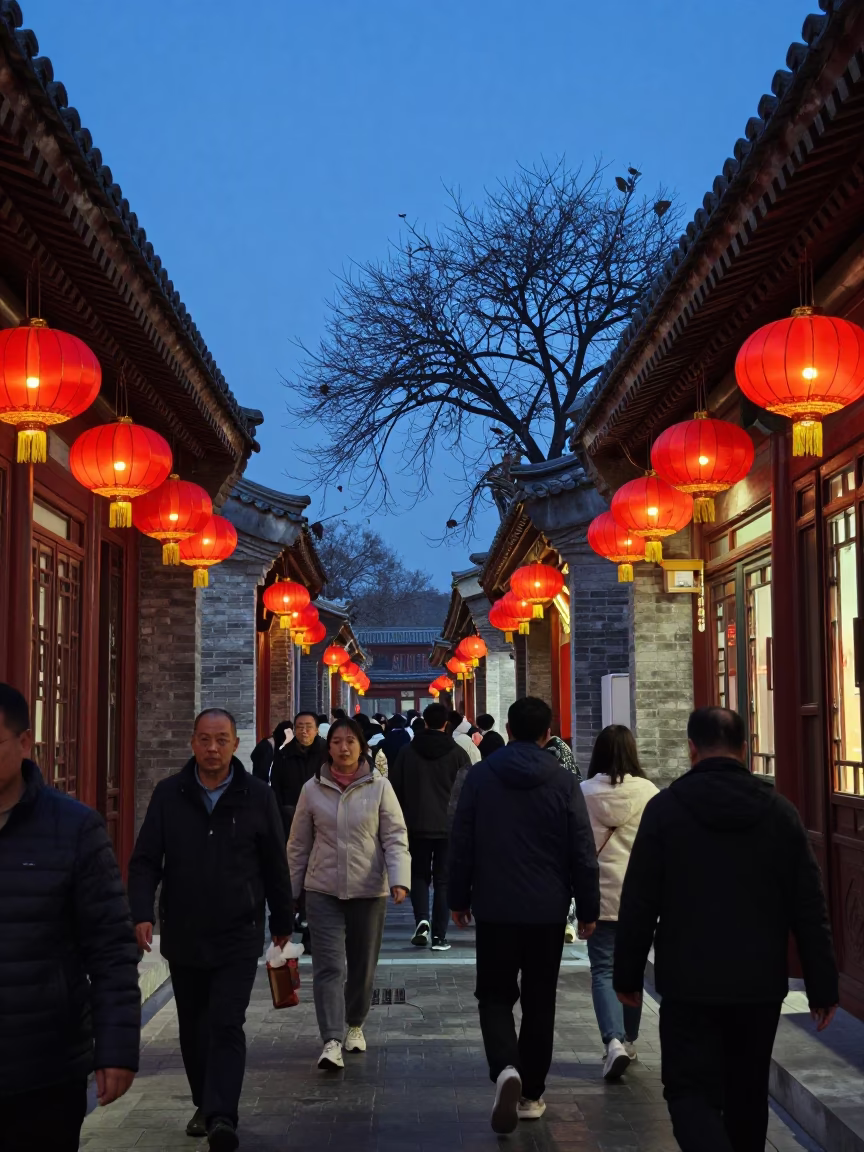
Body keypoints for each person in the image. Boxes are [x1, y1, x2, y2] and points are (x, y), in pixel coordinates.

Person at [614, 707, 839, 1152]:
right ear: (746, 747)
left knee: (688, 1090)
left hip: (688, 978)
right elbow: (808, 905)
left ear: (692, 749)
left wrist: (627, 972)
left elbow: (640, 900)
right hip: (757, 980)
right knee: (747, 1092)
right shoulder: (780, 812)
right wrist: (823, 984)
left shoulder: (666, 810)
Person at [128, 708, 294, 1152]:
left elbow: (275, 863)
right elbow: (146, 859)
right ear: (192, 743)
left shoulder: (257, 796)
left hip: (239, 931)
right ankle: (206, 1101)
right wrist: (141, 910)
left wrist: (283, 919)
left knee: (226, 1022)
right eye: (205, 739)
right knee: (193, 1026)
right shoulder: (169, 795)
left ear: (236, 744)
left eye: (222, 739)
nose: (213, 748)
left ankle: (222, 1115)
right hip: (184, 931)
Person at [449, 696, 600, 1134]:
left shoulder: (480, 777)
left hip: (495, 907)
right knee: (540, 1001)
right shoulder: (563, 780)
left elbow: (462, 841)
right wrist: (588, 909)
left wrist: (458, 898)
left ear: (509, 731)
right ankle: (531, 1092)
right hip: (547, 910)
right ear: (547, 734)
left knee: (494, 995)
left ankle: (505, 1069)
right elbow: (582, 851)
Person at [0, 683, 140, 1152]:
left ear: (24, 743)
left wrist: (116, 1047)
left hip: (43, 1062)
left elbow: (110, 949)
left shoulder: (74, 828)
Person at [288, 718, 411, 1070]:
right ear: (329, 748)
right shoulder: (312, 790)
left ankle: (355, 1022)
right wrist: (290, 890)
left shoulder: (379, 787)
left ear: (362, 747)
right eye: (337, 741)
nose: (343, 748)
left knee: (361, 965)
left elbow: (394, 836)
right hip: (322, 889)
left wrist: (399, 878)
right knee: (328, 966)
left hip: (368, 889)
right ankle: (330, 1039)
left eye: (350, 742)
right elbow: (298, 845)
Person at [579, 726, 657, 1079]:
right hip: (640, 896)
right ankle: (628, 1038)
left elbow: (577, 849)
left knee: (603, 968)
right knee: (634, 969)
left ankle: (612, 1042)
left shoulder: (583, 793)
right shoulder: (649, 794)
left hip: (599, 894)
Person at [390, 702, 471, 951]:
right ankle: (439, 936)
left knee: (419, 875)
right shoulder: (458, 754)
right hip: (449, 827)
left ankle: (422, 920)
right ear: (446, 724)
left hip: (415, 824)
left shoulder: (407, 752)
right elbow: (467, 793)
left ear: (424, 722)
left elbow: (395, 788)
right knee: (443, 879)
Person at [270, 711, 328, 835]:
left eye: (309, 727)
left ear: (317, 730)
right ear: (294, 730)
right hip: (291, 815)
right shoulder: (284, 753)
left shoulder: (327, 752)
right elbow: (276, 784)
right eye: (300, 727)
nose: (304, 731)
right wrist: (282, 810)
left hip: (323, 815)